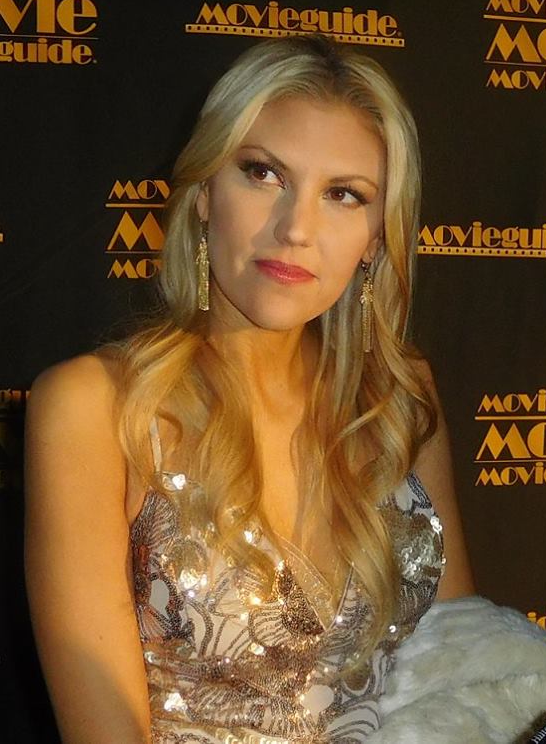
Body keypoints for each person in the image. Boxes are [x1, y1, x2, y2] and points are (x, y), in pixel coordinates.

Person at [25, 38, 477, 744]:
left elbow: (464, 681)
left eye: (343, 195)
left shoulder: (399, 398)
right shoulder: (95, 406)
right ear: (204, 193)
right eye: (263, 173)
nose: (295, 229)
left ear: (376, 237)